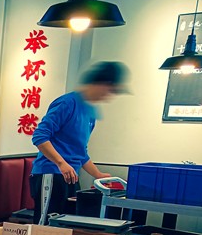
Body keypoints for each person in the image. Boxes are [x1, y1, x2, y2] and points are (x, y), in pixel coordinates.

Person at [30, 61, 129, 224]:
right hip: (51, 173)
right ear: (100, 84)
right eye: (110, 90)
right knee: (46, 226)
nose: (109, 96)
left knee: (66, 225)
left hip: (71, 176)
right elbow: (40, 137)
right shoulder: (67, 103)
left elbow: (80, 152)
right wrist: (61, 163)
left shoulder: (90, 112)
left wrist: (97, 174)